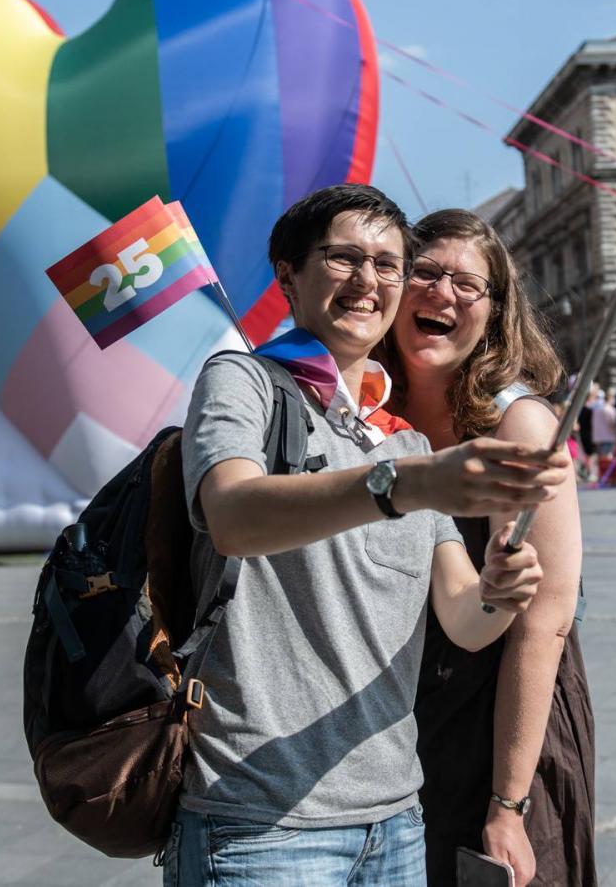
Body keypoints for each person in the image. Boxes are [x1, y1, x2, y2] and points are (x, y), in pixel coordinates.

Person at [165, 186, 561, 886]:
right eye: (344, 257)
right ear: (288, 272)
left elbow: (465, 620)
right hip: (260, 822)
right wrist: (402, 485)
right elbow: (232, 515)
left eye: (388, 264)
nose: (369, 281)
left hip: (397, 818)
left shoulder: (402, 437)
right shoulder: (246, 381)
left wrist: (500, 589)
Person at [380, 207, 595, 887]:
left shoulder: (520, 422)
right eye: (425, 271)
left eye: (467, 285)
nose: (442, 292)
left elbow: (544, 624)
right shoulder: (367, 413)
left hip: (499, 726)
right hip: (395, 719)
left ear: (496, 312)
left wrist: (509, 802)